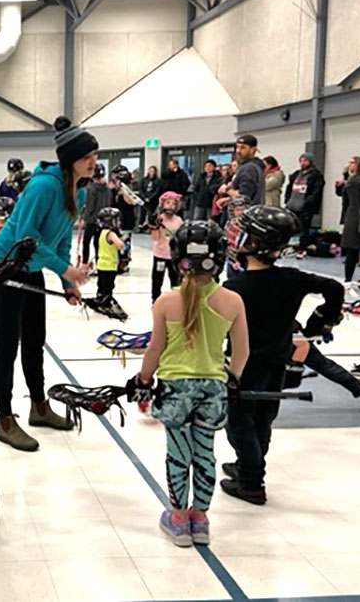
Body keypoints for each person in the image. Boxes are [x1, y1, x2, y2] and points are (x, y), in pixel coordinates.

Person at [129, 220, 248, 547]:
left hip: (174, 389)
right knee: (205, 452)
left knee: (178, 454)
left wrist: (143, 379)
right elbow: (242, 351)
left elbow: (155, 348)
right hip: (213, 388)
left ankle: (179, 518)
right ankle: (201, 518)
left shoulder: (166, 301)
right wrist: (232, 380)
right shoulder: (232, 301)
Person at [221, 206, 343, 504]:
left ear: (253, 243)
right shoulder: (292, 278)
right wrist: (321, 320)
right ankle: (248, 464)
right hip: (278, 362)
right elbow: (334, 288)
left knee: (239, 423)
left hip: (242, 366)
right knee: (263, 419)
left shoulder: (234, 287)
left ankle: (251, 482)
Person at [0, 116, 94, 451]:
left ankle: (39, 407)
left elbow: (61, 238)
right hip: (6, 266)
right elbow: (26, 236)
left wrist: (67, 280)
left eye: (94, 155)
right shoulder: (44, 186)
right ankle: (5, 420)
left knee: (34, 340)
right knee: (5, 346)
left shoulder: (78, 189)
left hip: (30, 265)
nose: (93, 162)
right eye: (87, 156)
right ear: (70, 159)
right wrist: (66, 269)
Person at [285, 152, 326, 252]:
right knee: (290, 227)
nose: (303, 163)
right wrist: (287, 199)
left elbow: (316, 191)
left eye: (305, 161)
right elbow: (289, 187)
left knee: (304, 229)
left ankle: (302, 247)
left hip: (305, 207)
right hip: (292, 205)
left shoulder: (315, 175)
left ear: (310, 162)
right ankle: (289, 245)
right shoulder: (296, 174)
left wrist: (307, 202)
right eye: (301, 161)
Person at [150, 192, 183, 302]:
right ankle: (155, 299)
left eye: (173, 204)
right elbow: (155, 238)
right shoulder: (159, 219)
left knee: (176, 279)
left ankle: (177, 299)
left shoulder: (178, 220)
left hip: (174, 256)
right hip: (160, 254)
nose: (170, 206)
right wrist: (154, 226)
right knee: (157, 279)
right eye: (168, 203)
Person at [94, 207, 127, 314]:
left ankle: (100, 299)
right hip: (109, 265)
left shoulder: (101, 233)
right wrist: (123, 241)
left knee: (101, 285)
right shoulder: (111, 234)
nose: (119, 222)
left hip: (101, 264)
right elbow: (120, 245)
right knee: (109, 286)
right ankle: (106, 304)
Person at [81, 163, 110, 264]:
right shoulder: (107, 188)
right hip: (103, 221)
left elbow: (90, 207)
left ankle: (84, 263)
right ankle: (99, 263)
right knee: (98, 243)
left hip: (92, 220)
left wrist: (84, 218)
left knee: (86, 242)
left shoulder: (92, 188)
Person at [229, 135, 266, 207]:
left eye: (243, 147)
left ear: (252, 150)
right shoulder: (249, 166)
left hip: (247, 211)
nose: (238, 151)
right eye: (237, 147)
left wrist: (226, 190)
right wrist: (228, 200)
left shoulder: (249, 168)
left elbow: (244, 197)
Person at [334, 157, 360, 225]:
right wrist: (339, 186)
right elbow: (340, 194)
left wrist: (347, 184)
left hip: (355, 208)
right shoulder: (348, 176)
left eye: (352, 163)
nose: (349, 165)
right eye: (349, 163)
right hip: (346, 206)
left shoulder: (359, 178)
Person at [139, 165, 161, 230]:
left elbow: (157, 191)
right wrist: (144, 197)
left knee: (151, 214)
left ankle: (151, 227)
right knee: (142, 213)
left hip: (152, 200)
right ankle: (140, 226)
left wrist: (150, 198)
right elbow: (140, 189)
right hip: (143, 199)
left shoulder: (158, 181)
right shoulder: (144, 180)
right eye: (150, 171)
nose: (151, 172)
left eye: (153, 171)